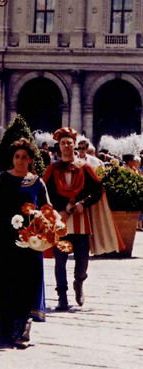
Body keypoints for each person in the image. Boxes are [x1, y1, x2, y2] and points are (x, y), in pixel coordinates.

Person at [0, 137, 49, 347]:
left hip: (28, 243)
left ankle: (22, 330)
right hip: (2, 242)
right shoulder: (0, 180)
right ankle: (6, 329)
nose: (20, 160)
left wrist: (46, 233)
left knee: (26, 284)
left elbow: (47, 210)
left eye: (24, 157)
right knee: (3, 282)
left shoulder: (37, 183)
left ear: (30, 160)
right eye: (17, 156)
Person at [44, 127, 115, 311]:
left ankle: (79, 282)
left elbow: (97, 191)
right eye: (63, 143)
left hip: (82, 225)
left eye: (69, 143)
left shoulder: (85, 168)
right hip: (60, 225)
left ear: (74, 145)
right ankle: (62, 296)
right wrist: (58, 210)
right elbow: (46, 193)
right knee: (60, 261)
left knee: (82, 262)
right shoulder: (52, 169)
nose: (66, 146)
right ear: (58, 146)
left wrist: (83, 204)